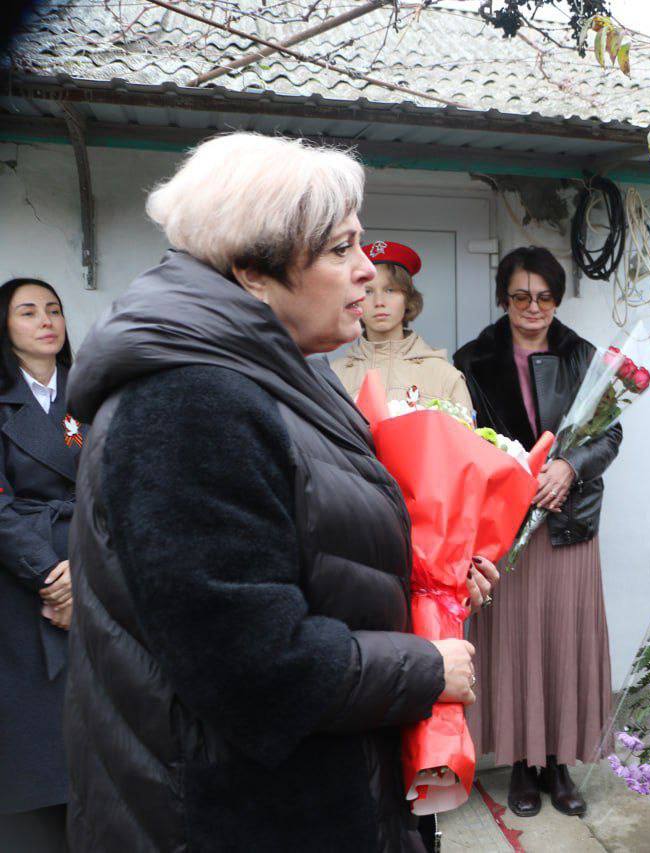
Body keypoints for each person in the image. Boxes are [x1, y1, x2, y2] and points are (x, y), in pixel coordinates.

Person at [63, 132, 498, 853]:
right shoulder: (188, 403)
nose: (367, 270)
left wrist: (427, 579)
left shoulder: (285, 368)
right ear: (253, 272)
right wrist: (425, 669)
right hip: (237, 817)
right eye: (340, 249)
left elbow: (312, 549)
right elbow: (253, 667)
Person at [453, 246, 621, 819]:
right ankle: (522, 764)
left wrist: (571, 466)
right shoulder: (473, 359)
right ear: (504, 298)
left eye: (545, 297)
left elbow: (610, 434)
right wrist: (512, 473)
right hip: (506, 525)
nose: (533, 307)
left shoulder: (583, 355)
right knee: (514, 642)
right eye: (521, 296)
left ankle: (559, 761)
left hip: (569, 522)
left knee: (563, 640)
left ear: (557, 298)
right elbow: (463, 440)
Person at [0, 278, 81, 852]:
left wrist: (85, 566)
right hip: (22, 579)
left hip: (94, 570)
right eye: (27, 312)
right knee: (35, 748)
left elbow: (124, 484)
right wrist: (51, 575)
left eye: (53, 310)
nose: (45, 321)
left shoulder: (93, 392)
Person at [332, 239, 473, 411]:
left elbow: (464, 429)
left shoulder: (445, 376)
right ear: (355, 300)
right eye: (368, 291)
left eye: (390, 290)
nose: (379, 301)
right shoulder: (334, 376)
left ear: (408, 298)